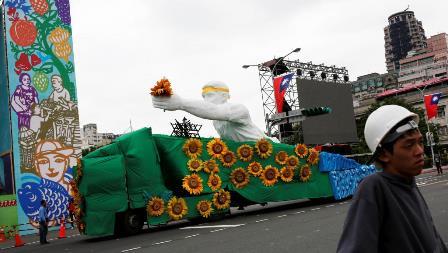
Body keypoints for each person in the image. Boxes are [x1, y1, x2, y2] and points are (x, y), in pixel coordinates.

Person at [337, 105, 447, 253]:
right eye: (409, 145)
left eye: (420, 142)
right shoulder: (374, 187)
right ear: (383, 154)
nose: (420, 151)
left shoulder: (409, 183)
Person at [152, 81, 273, 142]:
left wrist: (181, 103)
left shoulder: (239, 109)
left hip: (267, 151)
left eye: (209, 95)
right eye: (204, 97)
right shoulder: (216, 121)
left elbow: (215, 110)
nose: (205, 100)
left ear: (225, 95)